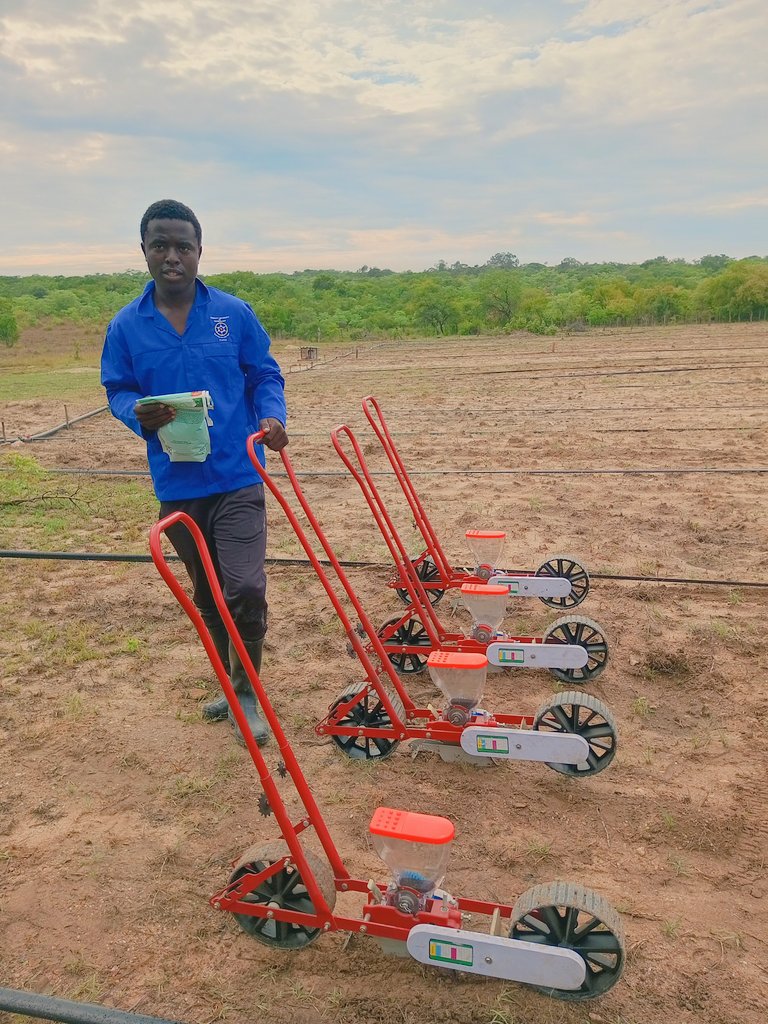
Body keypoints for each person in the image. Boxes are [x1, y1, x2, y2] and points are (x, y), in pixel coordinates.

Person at [100, 199, 287, 747]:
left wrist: (273, 416)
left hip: (237, 476)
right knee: (207, 596)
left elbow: (263, 373)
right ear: (144, 251)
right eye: (160, 244)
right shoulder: (127, 327)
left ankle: (248, 694)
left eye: (183, 245)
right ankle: (232, 685)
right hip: (177, 484)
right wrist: (134, 411)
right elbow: (117, 389)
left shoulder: (233, 313)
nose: (172, 256)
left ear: (200, 250)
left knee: (245, 588)